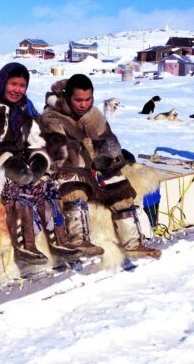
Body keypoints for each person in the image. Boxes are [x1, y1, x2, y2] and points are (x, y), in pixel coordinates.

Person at [0, 62, 80, 264]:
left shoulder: (24, 111)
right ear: (2, 82)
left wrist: (38, 160)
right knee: (16, 188)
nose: (17, 90)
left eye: (22, 85)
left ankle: (59, 240)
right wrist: (5, 163)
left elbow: (36, 141)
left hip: (18, 163)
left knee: (46, 184)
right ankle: (25, 245)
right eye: (13, 84)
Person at [40, 74, 161, 259]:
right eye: (78, 100)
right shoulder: (52, 117)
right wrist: (93, 154)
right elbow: (61, 153)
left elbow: (111, 143)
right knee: (73, 188)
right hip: (66, 168)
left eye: (88, 99)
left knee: (121, 189)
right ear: (67, 97)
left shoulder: (94, 115)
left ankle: (133, 243)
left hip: (95, 167)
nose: (84, 104)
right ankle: (79, 240)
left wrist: (102, 154)